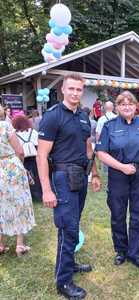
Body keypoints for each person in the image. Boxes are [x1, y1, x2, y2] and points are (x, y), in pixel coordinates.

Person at [37, 73, 101, 300]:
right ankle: (63, 282)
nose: (75, 93)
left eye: (79, 89)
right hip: (63, 177)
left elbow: (88, 148)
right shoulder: (53, 116)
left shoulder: (83, 117)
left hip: (81, 176)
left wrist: (94, 173)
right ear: (63, 89)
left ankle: (69, 263)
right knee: (68, 227)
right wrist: (46, 189)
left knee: (72, 223)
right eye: (71, 88)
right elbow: (41, 155)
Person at [96, 90, 139, 269]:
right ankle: (121, 251)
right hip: (118, 175)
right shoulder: (110, 126)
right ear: (117, 107)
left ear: (135, 106)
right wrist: (122, 167)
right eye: (122, 104)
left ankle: (135, 253)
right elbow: (101, 153)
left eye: (130, 104)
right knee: (118, 215)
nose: (127, 107)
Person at [0, 105, 35, 256]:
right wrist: (20, 164)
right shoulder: (4, 125)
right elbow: (20, 151)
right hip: (11, 167)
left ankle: (0, 245)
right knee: (19, 203)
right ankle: (19, 245)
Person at [13, 115, 42, 200]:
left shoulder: (15, 134)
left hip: (23, 158)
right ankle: (39, 195)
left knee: (25, 178)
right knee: (37, 176)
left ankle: (29, 196)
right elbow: (38, 144)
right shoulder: (33, 132)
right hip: (35, 157)